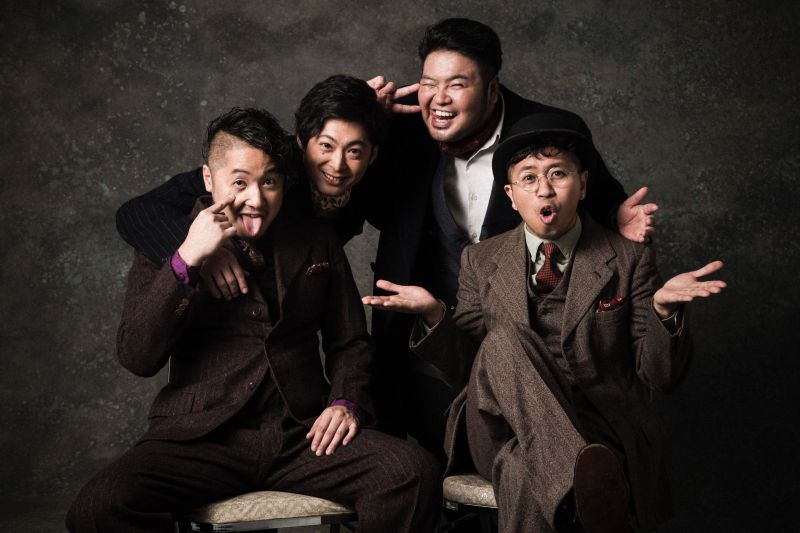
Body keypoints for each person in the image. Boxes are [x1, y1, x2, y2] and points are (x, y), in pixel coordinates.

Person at [66, 107, 441, 533]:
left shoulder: (316, 237)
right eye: (240, 183)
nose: (256, 201)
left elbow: (350, 342)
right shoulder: (171, 244)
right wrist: (186, 260)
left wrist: (346, 401)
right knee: (98, 508)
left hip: (303, 436)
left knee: (411, 473)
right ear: (209, 179)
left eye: (269, 182)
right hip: (201, 438)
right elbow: (137, 356)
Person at [362, 112, 726, 532]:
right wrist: (434, 315)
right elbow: (468, 370)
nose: (544, 189)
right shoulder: (480, 260)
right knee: (504, 342)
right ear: (511, 195)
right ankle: (578, 483)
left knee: (521, 471)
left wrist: (664, 312)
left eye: (558, 174)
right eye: (529, 178)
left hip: (596, 426)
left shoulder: (629, 260)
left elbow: (660, 377)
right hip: (496, 425)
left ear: (583, 184)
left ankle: (574, 499)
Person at [364, 18, 656, 459]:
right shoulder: (400, 129)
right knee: (447, 459)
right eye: (428, 83)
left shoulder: (551, 131)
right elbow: (344, 200)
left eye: (457, 84)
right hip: (431, 348)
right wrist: (361, 120)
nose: (438, 99)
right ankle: (578, 474)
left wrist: (619, 226)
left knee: (517, 457)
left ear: (492, 88)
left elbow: (596, 206)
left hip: (532, 355)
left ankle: (573, 473)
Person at [115, 74, 386, 299]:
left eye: (354, 151)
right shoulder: (270, 164)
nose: (338, 165)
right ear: (302, 141)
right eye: (326, 145)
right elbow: (137, 211)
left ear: (371, 155)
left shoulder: (367, 172)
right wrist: (201, 255)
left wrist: (366, 106)